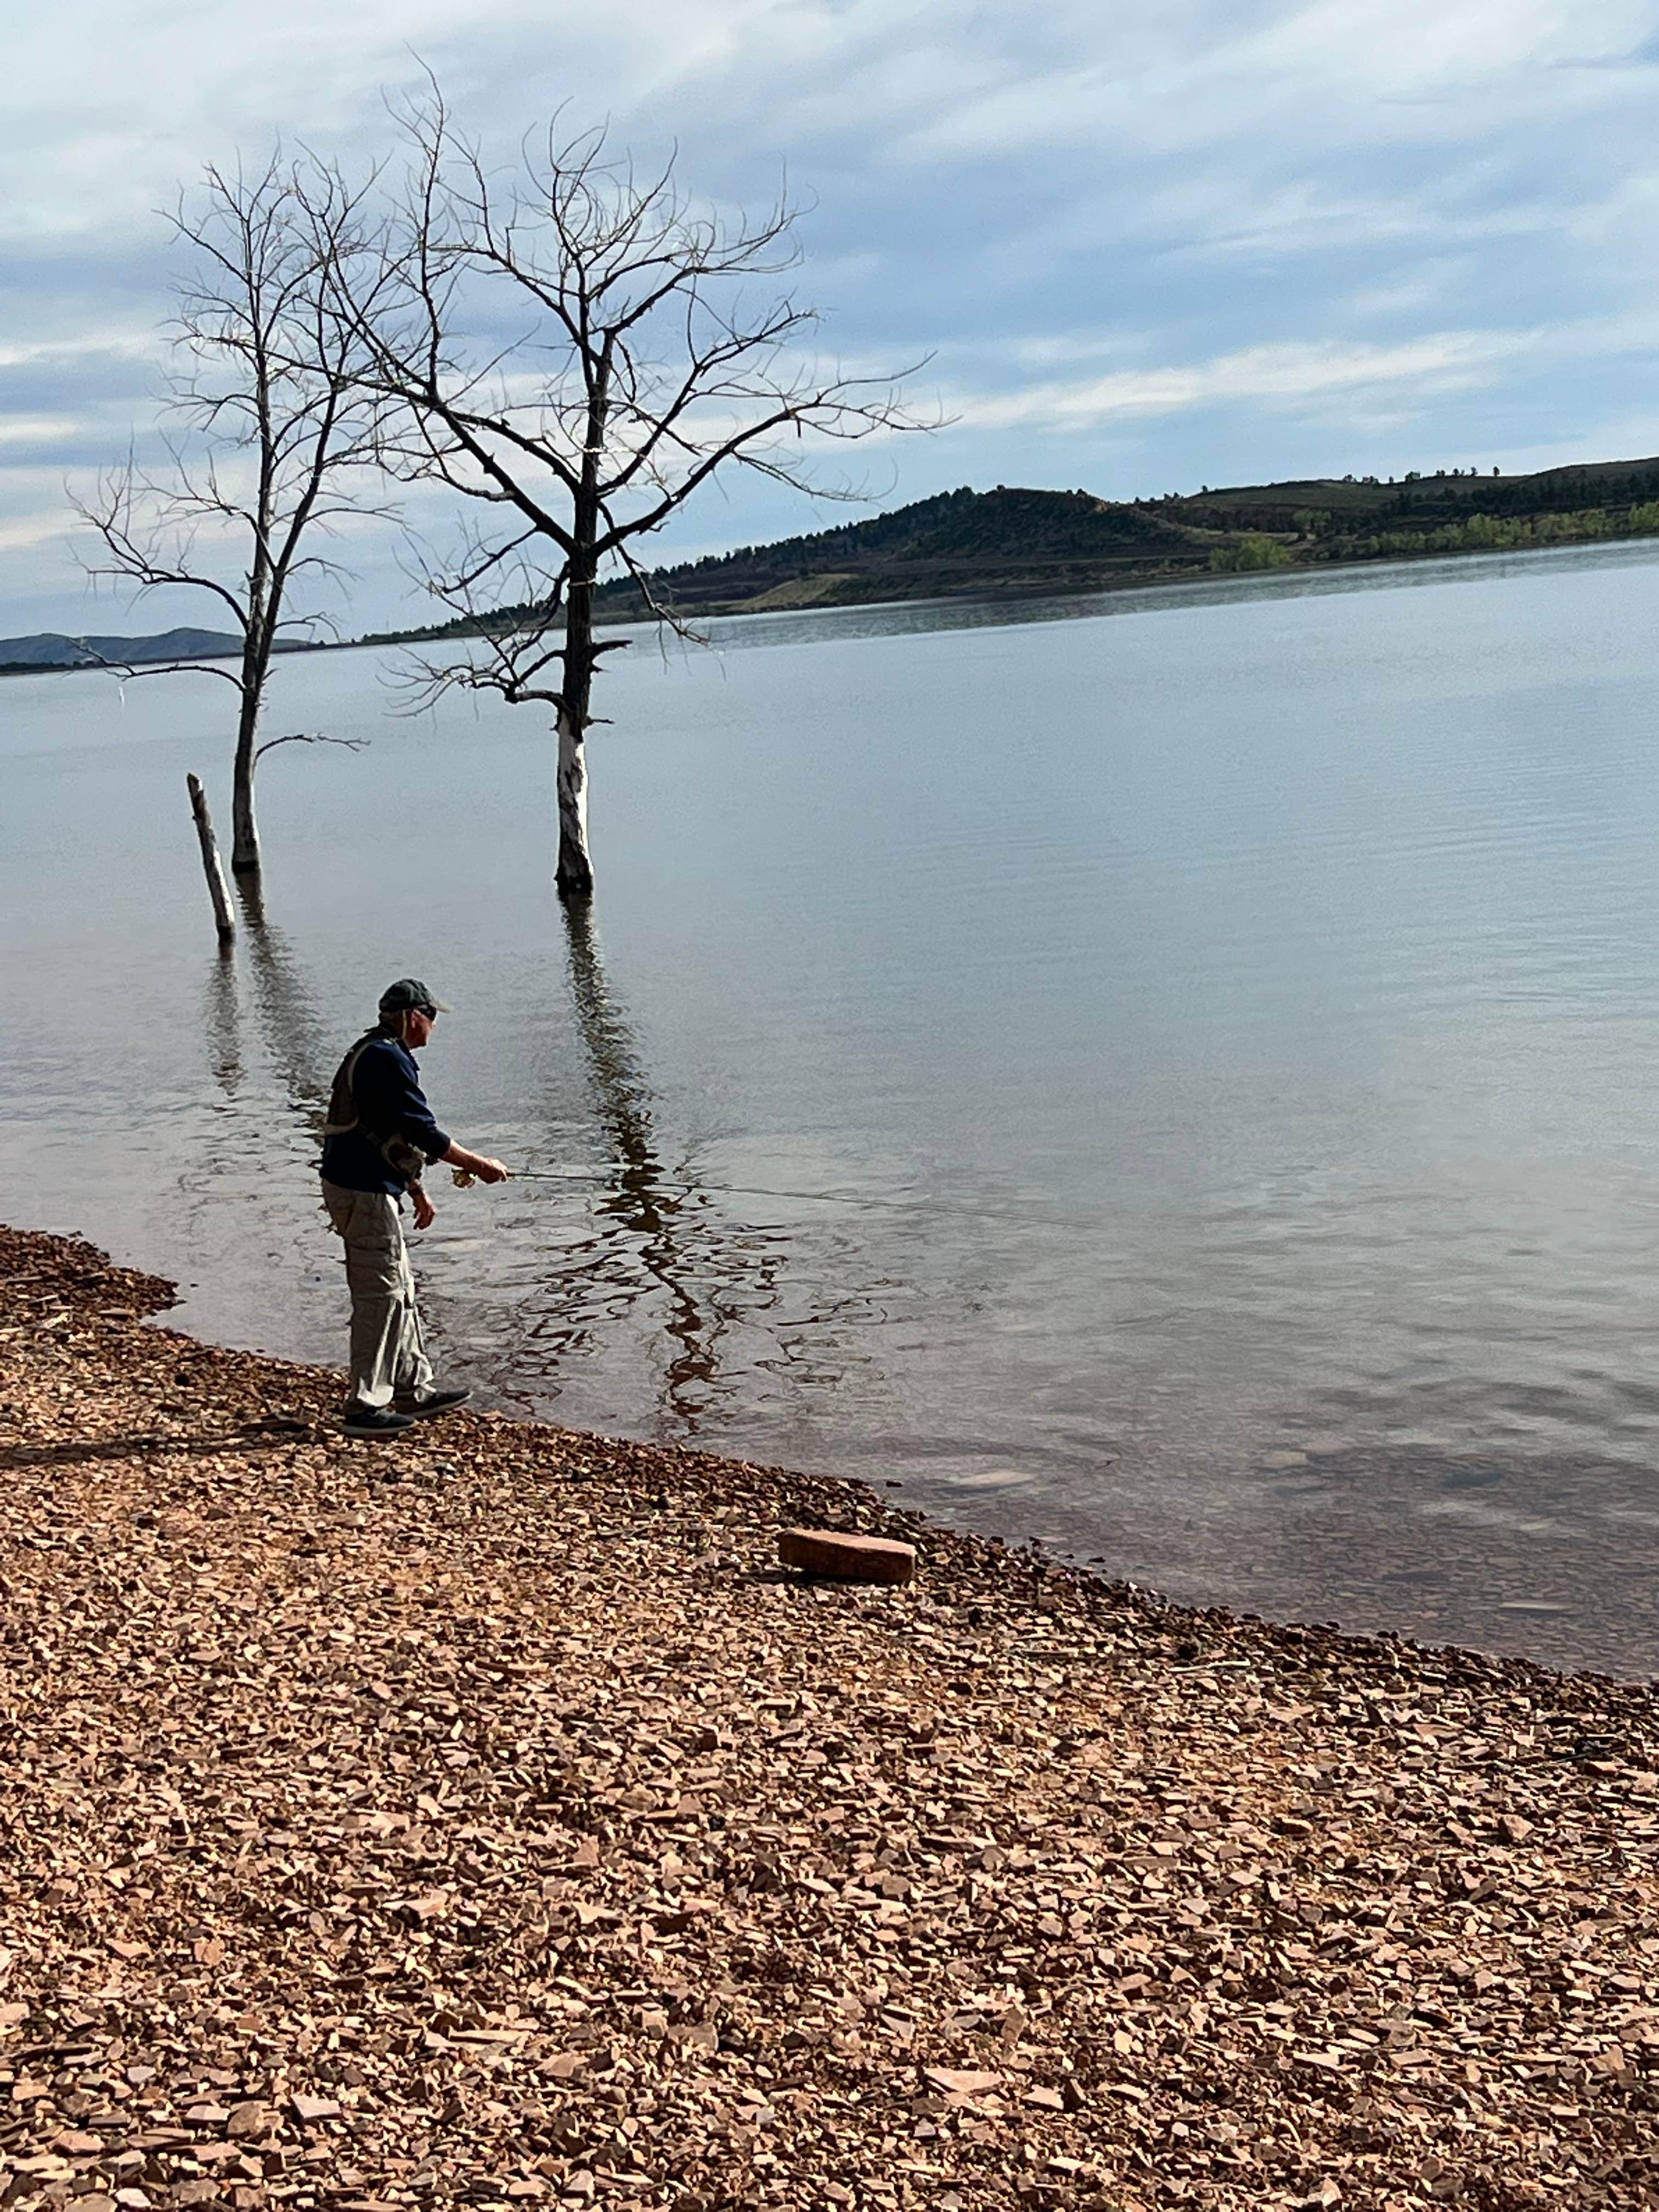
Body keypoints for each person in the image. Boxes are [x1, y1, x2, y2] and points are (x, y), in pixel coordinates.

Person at [319, 978, 508, 1438]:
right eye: (432, 1016)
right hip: (361, 1191)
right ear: (412, 1017)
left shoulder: (378, 1052)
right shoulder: (385, 1058)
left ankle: (412, 1389)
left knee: (399, 1288)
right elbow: (423, 1131)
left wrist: (416, 1188)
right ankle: (365, 1406)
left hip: (370, 1186)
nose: (435, 1026)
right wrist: (480, 1165)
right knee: (379, 1296)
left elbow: (387, 1132)